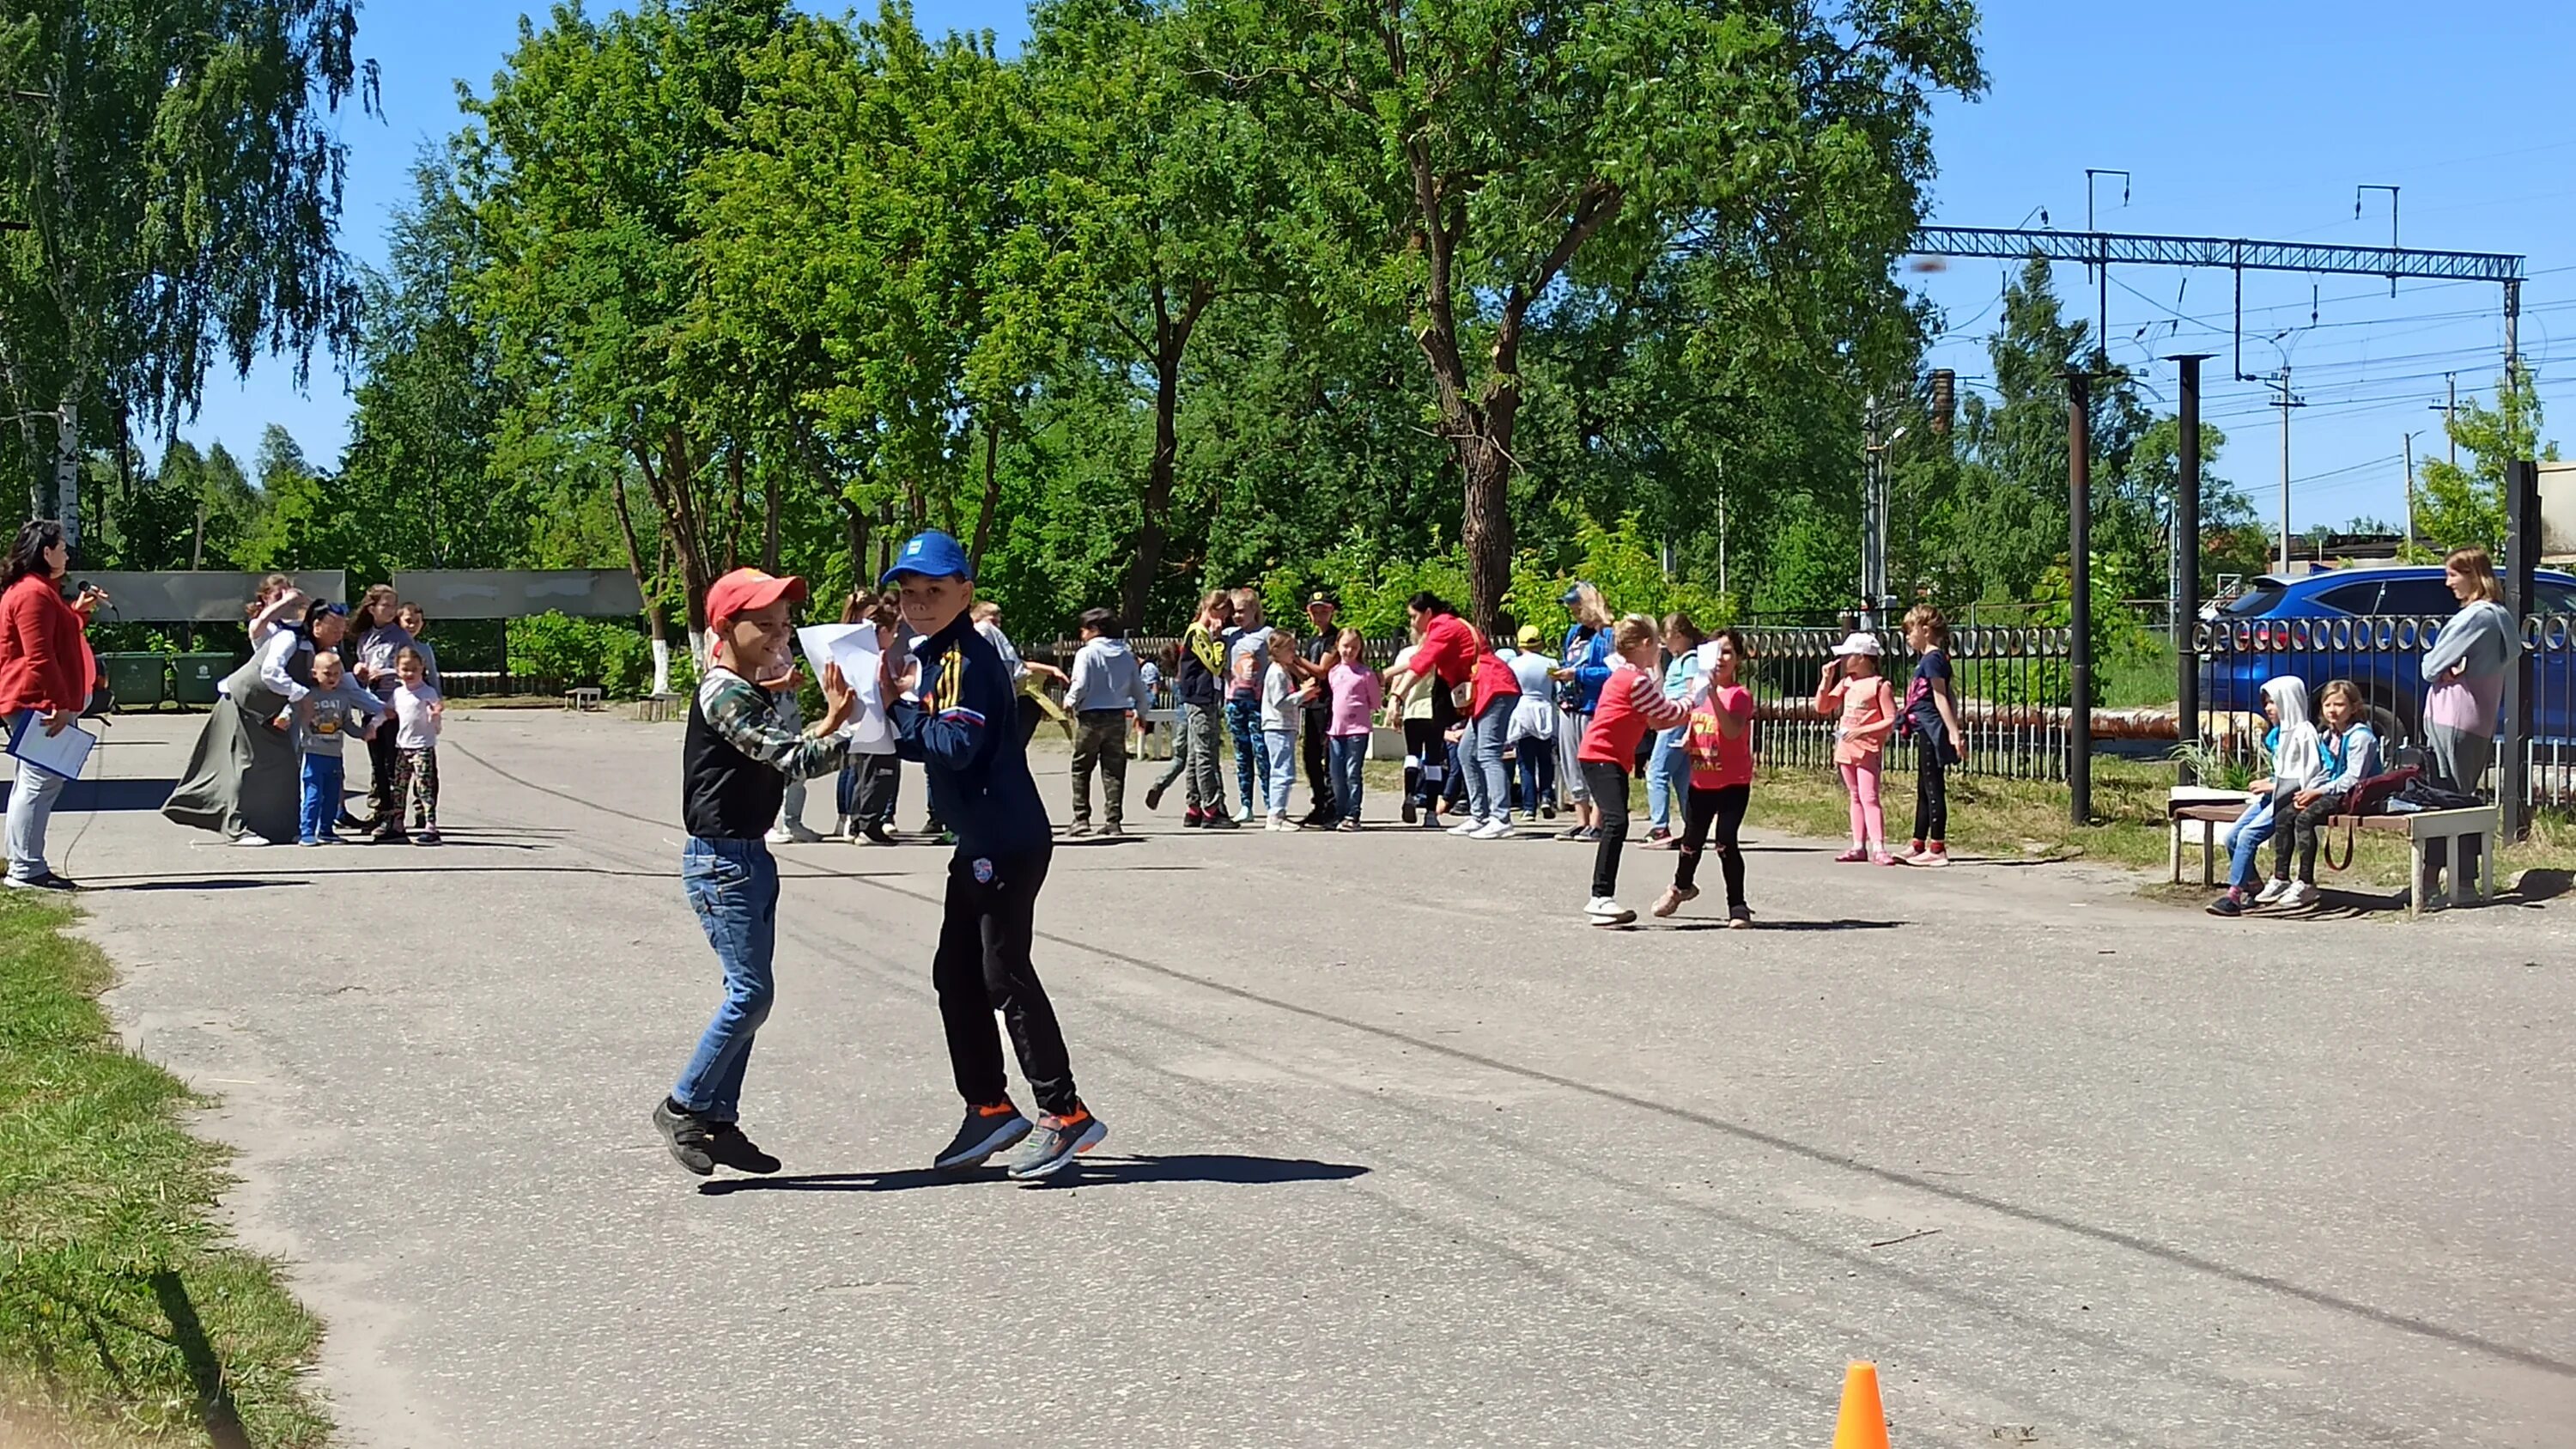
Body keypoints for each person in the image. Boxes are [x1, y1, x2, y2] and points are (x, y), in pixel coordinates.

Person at [883, 530, 1107, 1181]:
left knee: (1002, 974)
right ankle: (987, 1105)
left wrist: (894, 711)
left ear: (964, 592)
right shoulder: (936, 652)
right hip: (980, 839)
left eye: (934, 590)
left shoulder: (965, 659)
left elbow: (953, 744)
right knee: (956, 973)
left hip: (1006, 841)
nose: (919, 602)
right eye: (909, 591)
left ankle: (1064, 1112)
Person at [652, 567, 860, 1178]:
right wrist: (859, 729)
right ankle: (683, 1105)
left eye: (784, 624)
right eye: (763, 624)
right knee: (751, 993)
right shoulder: (725, 692)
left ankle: (719, 1120)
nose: (779, 635)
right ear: (725, 628)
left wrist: (827, 720)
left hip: (748, 858)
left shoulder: (753, 689)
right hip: (720, 861)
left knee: (751, 995)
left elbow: (777, 753)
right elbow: (791, 758)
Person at [167, 597, 353, 847]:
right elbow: (270, 673)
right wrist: (302, 695)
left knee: (285, 766)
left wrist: (383, 710)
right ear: (317, 625)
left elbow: (351, 688)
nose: (339, 635)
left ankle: (284, 829)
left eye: (342, 630)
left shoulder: (325, 653)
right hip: (244, 703)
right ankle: (238, 828)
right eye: (335, 630)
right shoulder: (288, 638)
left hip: (269, 714)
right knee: (247, 767)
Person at [0, 521, 99, 890]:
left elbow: (56, 636)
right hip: (35, 702)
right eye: (62, 547)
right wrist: (59, 704)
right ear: (46, 552)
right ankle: (26, 870)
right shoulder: (32, 594)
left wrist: (79, 611)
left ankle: (23, 863)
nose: (67, 554)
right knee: (38, 783)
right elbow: (39, 657)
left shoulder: (41, 592)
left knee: (35, 781)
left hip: (39, 701)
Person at [1576, 615, 1689, 925]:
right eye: (1657, 644)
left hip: (1607, 757)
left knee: (1616, 822)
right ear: (1645, 644)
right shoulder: (1635, 680)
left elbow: (1656, 719)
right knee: (1616, 822)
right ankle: (1600, 897)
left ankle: (1601, 897)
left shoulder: (1628, 675)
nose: (1660, 651)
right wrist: (1696, 700)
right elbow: (1665, 714)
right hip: (1602, 756)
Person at [2421, 545, 2515, 896]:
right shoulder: (2499, 615)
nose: (2448, 583)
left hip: (2452, 716)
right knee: (2458, 798)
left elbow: (2430, 667)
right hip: (2476, 718)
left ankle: (2448, 883)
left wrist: (2442, 665)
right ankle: (2458, 881)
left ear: (2475, 575)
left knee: (2445, 804)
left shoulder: (2475, 617)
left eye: (2453, 575)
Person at [1655, 628, 1755, 927]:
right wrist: (1688, 737)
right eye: (1716, 653)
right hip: (1701, 781)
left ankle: (1737, 906)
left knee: (1726, 842)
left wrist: (1712, 691)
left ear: (1737, 659)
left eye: (1728, 652)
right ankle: (1680, 887)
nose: (1721, 659)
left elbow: (1733, 730)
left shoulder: (1739, 695)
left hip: (1734, 782)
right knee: (1691, 842)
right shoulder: (1697, 694)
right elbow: (1696, 721)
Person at [2206, 675, 2321, 917]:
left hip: (2288, 800)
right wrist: (2269, 783)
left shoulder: (2304, 732)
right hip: (2274, 796)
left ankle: (2234, 895)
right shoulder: (2280, 733)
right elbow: (2283, 771)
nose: (2268, 708)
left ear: (2289, 701)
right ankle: (2255, 886)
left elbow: (2308, 775)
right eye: (2266, 702)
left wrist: (2274, 786)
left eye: (2274, 702)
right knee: (2232, 837)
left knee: (2248, 836)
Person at [1407, 592, 1518, 839]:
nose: (1412, 623)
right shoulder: (1447, 626)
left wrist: (1396, 695)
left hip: (1495, 687)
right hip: (1488, 691)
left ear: (1428, 613)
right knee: (1466, 751)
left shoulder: (1443, 626)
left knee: (1488, 752)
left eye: (1414, 617)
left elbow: (1420, 664)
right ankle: (1480, 816)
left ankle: (1501, 818)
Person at [2269, 679, 2379, 910]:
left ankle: (2306, 882)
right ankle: (2280, 877)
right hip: (2334, 791)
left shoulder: (2360, 737)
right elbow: (2327, 769)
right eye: (2327, 704)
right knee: (2284, 816)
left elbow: (2354, 778)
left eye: (2339, 705)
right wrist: (2308, 790)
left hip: (2357, 795)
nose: (2332, 710)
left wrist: (2318, 792)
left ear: (2354, 707)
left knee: (2305, 819)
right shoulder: (2330, 735)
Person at [1063, 606, 1153, 837]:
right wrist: (1141, 712)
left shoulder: (1087, 653)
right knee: (1114, 769)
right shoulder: (1125, 654)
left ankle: (1081, 818)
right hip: (1116, 716)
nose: (1081, 634)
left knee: (1081, 767)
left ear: (1094, 629)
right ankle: (1113, 821)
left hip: (1090, 716)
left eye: (1083, 629)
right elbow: (1138, 687)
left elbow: (1080, 683)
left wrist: (1070, 701)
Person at [1147, 589, 1234, 828]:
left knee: (1195, 755)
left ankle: (1194, 807)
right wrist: (1218, 640)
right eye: (1224, 612)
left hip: (1203, 696)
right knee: (1206, 754)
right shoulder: (1198, 633)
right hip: (1200, 697)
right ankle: (1211, 809)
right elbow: (1214, 665)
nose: (1226, 619)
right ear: (1214, 609)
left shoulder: (1198, 631)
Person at [1815, 631, 1899, 865]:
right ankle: (1858, 845)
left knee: (1869, 796)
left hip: (1867, 747)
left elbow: (1891, 718)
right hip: (1846, 746)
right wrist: (1826, 680)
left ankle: (1879, 847)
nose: (1843, 660)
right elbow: (1823, 706)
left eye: (1848, 655)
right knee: (1854, 796)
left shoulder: (1880, 685)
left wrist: (1863, 731)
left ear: (1862, 657)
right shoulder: (1847, 683)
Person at [292, 651, 386, 847]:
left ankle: (327, 831)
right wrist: (285, 718)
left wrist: (363, 733)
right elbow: (293, 711)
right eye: (327, 673)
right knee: (313, 793)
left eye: (337, 674)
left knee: (333, 794)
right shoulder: (308, 695)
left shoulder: (343, 697)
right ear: (315, 673)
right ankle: (307, 831)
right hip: (313, 752)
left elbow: (347, 723)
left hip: (335, 754)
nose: (332, 678)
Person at [836, 590, 905, 844]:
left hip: (858, 721)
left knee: (862, 774)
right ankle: (869, 825)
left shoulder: (856, 655)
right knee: (879, 774)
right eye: (893, 630)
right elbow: (884, 688)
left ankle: (856, 824)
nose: (896, 635)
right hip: (876, 721)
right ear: (881, 631)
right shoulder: (877, 657)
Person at [1899, 604, 1965, 866]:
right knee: (1923, 788)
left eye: (1909, 630)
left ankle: (1937, 847)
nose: (1907, 636)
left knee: (1933, 788)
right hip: (1923, 726)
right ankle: (1918, 842)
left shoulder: (1934, 659)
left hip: (1932, 727)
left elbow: (1941, 696)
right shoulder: (1927, 660)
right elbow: (1951, 694)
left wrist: (1953, 733)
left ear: (1925, 630)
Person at [349, 584, 414, 831]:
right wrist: (360, 670)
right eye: (386, 605)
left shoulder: (400, 636)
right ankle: (380, 810)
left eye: (393, 605)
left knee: (392, 763)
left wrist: (385, 671)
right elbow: (363, 665)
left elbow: (410, 668)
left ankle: (394, 817)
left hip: (394, 705)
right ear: (372, 608)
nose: (391, 610)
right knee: (377, 763)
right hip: (371, 704)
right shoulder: (365, 636)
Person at [1554, 583, 1615, 841]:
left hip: (1594, 706)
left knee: (1594, 762)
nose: (1574, 613)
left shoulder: (1607, 635)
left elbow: (1613, 671)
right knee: (1571, 762)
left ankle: (1597, 822)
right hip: (1570, 704)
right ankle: (1581, 820)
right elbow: (1569, 661)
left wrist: (1579, 673)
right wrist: (1563, 672)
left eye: (1577, 607)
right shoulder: (1574, 633)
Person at [1641, 612, 1704, 849]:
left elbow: (1693, 694)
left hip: (1678, 720)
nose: (1663, 641)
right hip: (1673, 719)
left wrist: (1689, 725)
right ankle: (1693, 828)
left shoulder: (1690, 660)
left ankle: (1660, 827)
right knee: (1682, 778)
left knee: (1656, 772)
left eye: (1665, 635)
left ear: (1678, 635)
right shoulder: (1678, 660)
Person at [372, 648, 447, 845]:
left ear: (422, 668)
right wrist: (373, 726)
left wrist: (435, 716)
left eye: (414, 669)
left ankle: (430, 826)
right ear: (397, 670)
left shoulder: (427, 692)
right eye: (405, 669)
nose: (410, 673)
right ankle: (397, 825)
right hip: (402, 747)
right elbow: (387, 713)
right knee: (399, 787)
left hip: (422, 747)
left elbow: (436, 717)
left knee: (424, 787)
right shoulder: (398, 694)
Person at [1222, 588, 1272, 825]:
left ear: (1254, 609)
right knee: (1242, 754)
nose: (1238, 616)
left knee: (1261, 751)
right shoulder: (1229, 634)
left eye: (1242, 611)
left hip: (1258, 700)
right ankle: (1246, 804)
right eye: (1234, 612)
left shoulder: (1266, 634)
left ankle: (1271, 802)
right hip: (1234, 700)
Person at [1323, 629, 1381, 831]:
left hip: (1358, 730)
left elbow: (1375, 702)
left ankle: (1352, 814)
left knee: (1352, 772)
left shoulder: (1365, 674)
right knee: (1336, 774)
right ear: (1338, 646)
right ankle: (1340, 813)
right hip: (1336, 730)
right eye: (1345, 646)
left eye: (1354, 647)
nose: (1349, 650)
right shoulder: (1333, 672)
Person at [1385, 636, 1445, 829]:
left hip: (1413, 711)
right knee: (1434, 761)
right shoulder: (1441, 655)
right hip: (1435, 711)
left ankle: (1409, 794)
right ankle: (1430, 813)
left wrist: (1395, 707)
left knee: (1413, 755)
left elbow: (1396, 684)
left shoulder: (1407, 654)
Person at [1504, 625, 1560, 820]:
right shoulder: (1551, 663)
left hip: (1522, 710)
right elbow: (1558, 688)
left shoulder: (1513, 665)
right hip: (1544, 710)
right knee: (1546, 759)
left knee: (1526, 762)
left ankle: (1529, 807)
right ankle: (1546, 796)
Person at [1297, 594, 1342, 825]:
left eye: (1323, 610)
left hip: (1328, 704)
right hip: (1312, 703)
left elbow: (1322, 670)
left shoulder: (1334, 638)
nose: (1319, 615)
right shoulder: (1313, 640)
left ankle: (1332, 805)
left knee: (1326, 756)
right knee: (1310, 756)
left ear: (1331, 611)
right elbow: (1307, 674)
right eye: (1315, 611)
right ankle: (1319, 802)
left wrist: (1295, 657)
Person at [1258, 629, 1306, 831]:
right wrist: (1304, 695)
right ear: (1276, 650)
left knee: (1284, 770)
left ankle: (1279, 811)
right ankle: (1276, 814)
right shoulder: (1277, 673)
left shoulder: (1281, 670)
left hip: (1283, 726)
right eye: (1290, 649)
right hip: (1278, 726)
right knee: (1282, 771)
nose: (1293, 653)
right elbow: (1280, 702)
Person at [394, 602, 441, 686]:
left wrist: (437, 696)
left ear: (422, 624)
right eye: (408, 621)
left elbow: (432, 676)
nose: (412, 625)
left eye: (417, 621)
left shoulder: (425, 649)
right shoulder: (390, 647)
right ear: (399, 621)